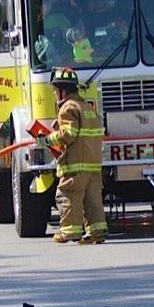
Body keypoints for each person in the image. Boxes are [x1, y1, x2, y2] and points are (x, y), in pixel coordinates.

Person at [39, 66, 107, 244]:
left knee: (67, 195)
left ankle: (69, 232)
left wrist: (46, 140)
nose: (54, 95)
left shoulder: (67, 108)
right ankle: (97, 233)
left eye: (55, 91)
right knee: (92, 201)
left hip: (76, 165)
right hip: (93, 166)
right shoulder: (88, 108)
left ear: (62, 91)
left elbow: (68, 134)